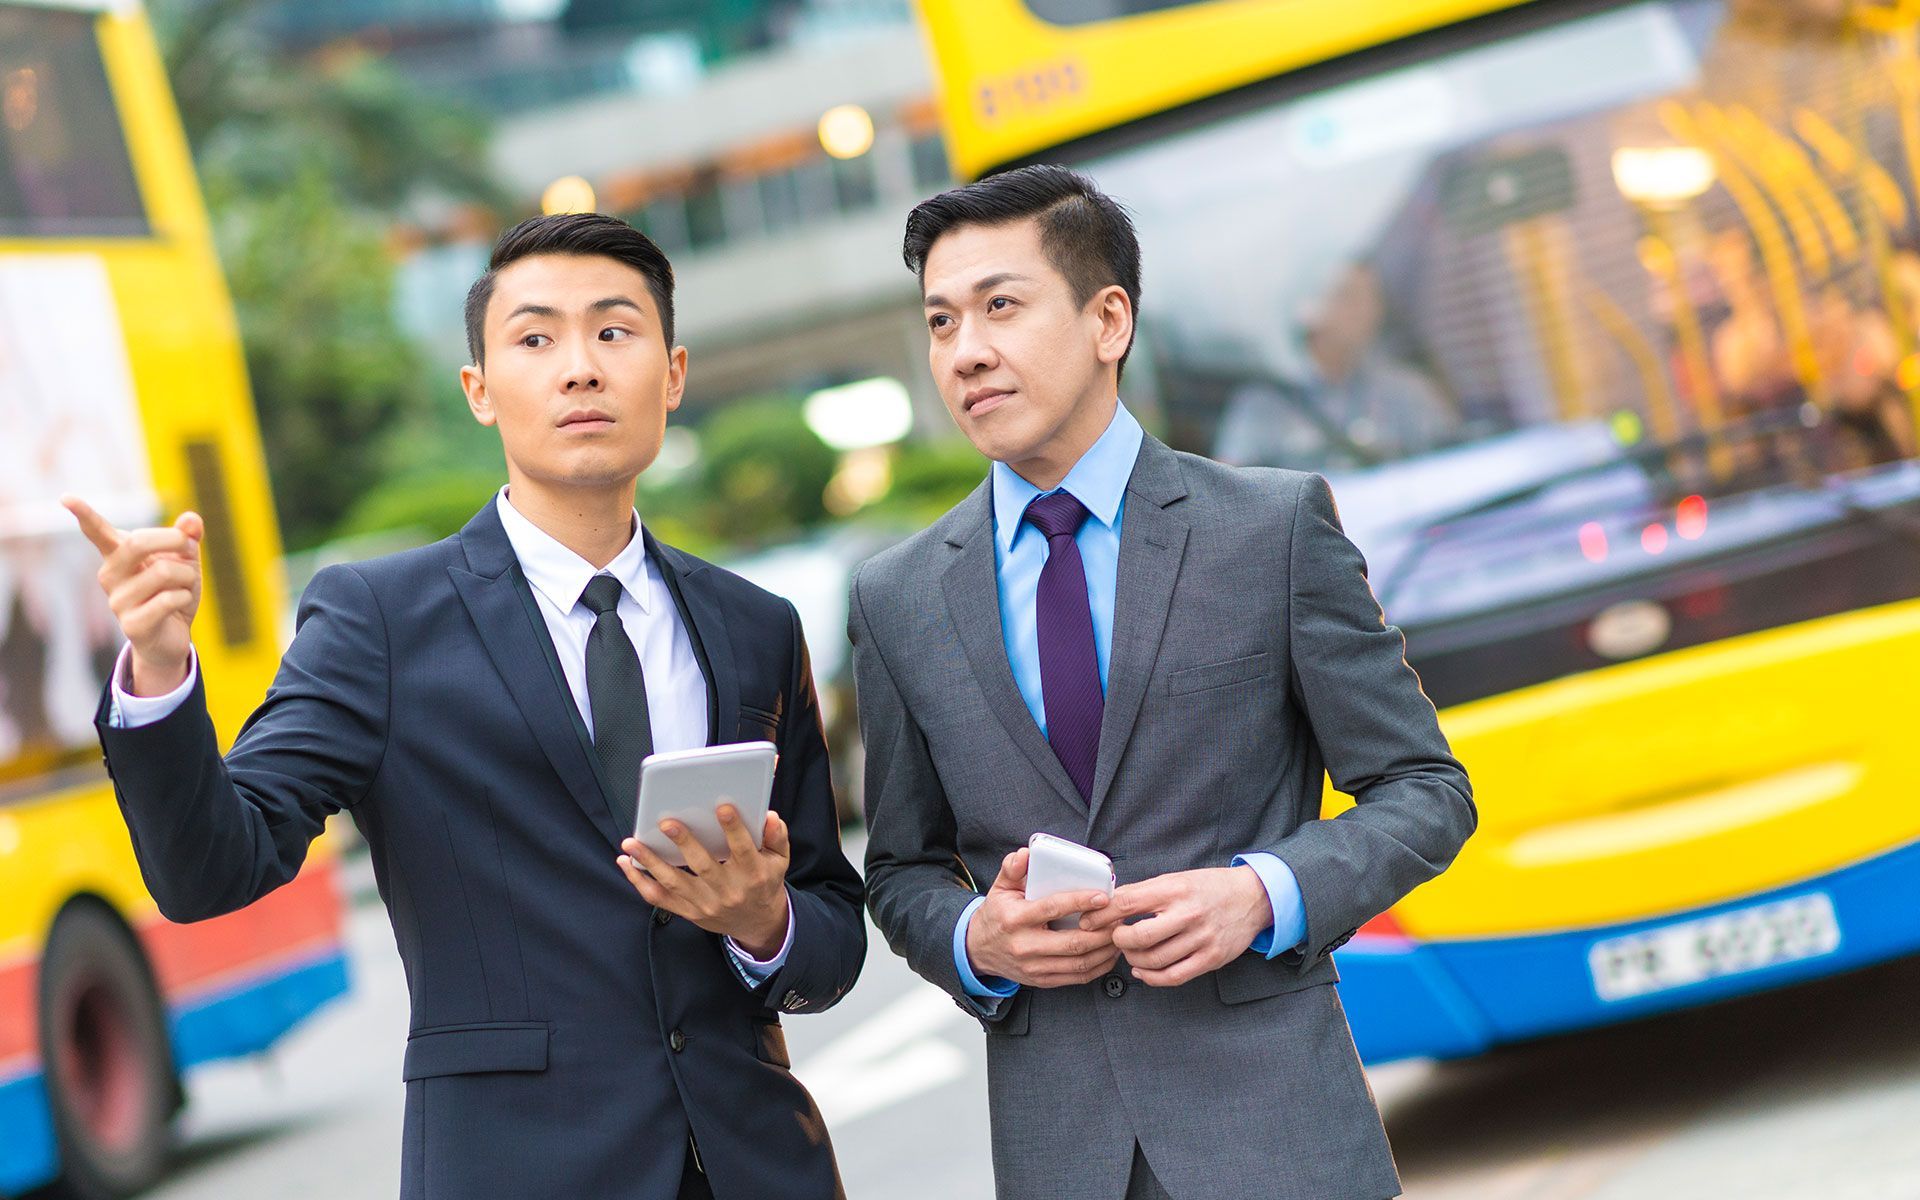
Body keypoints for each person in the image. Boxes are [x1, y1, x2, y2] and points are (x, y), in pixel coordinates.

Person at [66, 213, 864, 1200]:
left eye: (615, 332)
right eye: (535, 338)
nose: (580, 368)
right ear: (480, 392)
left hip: (758, 1170)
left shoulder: (754, 626)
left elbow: (833, 929)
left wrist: (764, 920)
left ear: (675, 373)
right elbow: (211, 868)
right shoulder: (380, 622)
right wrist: (156, 669)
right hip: (515, 1172)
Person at [850, 165, 1475, 1200]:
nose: (967, 352)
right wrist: (976, 937)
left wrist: (1259, 894)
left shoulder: (1269, 530)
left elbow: (1425, 791)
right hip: (1063, 1152)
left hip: (1280, 1134)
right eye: (942, 321)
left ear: (1108, 321)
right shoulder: (898, 596)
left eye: (1001, 307)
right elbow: (901, 870)